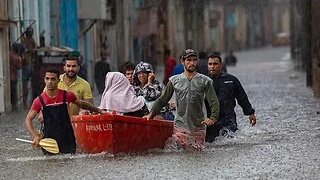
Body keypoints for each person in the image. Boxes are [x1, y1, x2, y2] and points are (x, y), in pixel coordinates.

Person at [143, 49, 220, 150]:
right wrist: (151, 113)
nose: (192, 63)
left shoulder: (205, 80)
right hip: (179, 126)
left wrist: (213, 118)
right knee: (175, 152)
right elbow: (163, 99)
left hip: (198, 128)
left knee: (196, 156)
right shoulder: (174, 80)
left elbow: (214, 101)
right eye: (188, 60)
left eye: (194, 60)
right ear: (182, 62)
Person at [24, 68, 103, 154]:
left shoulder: (67, 95)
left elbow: (81, 104)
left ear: (58, 80)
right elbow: (28, 120)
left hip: (68, 139)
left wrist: (99, 110)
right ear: (44, 80)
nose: (49, 82)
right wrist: (34, 136)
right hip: (49, 141)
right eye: (47, 78)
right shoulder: (39, 100)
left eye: (53, 79)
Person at [205, 53, 256, 142]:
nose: (212, 66)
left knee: (230, 141)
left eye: (215, 64)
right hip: (210, 120)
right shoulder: (203, 81)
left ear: (221, 65)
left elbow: (242, 97)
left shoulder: (231, 80)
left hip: (228, 118)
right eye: (210, 64)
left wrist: (250, 113)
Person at [21, 27, 37, 107]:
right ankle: (25, 101)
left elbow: (35, 48)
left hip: (31, 63)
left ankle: (32, 100)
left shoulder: (32, 40)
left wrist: (32, 51)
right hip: (26, 63)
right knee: (25, 83)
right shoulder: (24, 40)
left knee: (33, 83)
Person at [9, 43, 24, 110]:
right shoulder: (16, 57)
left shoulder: (9, 54)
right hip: (13, 76)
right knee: (13, 91)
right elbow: (19, 66)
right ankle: (14, 106)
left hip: (9, 76)